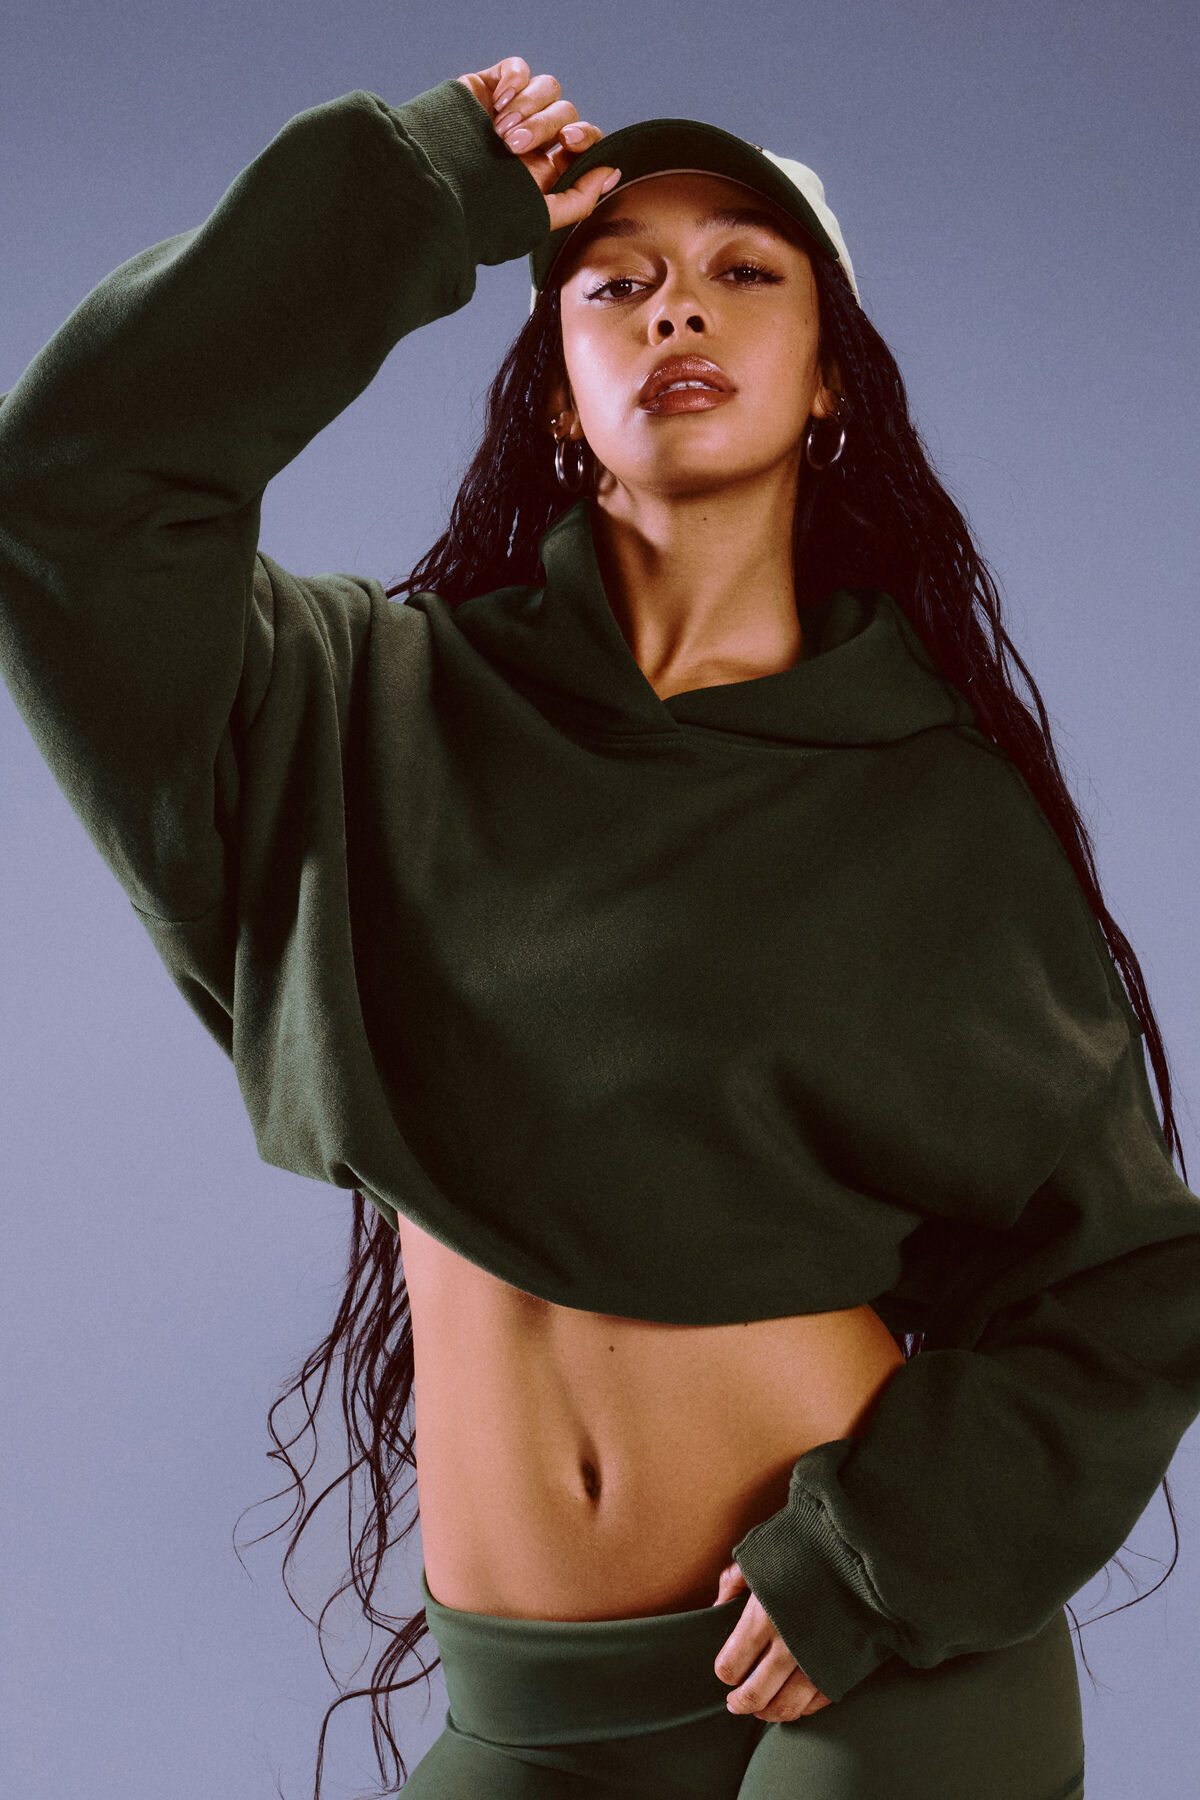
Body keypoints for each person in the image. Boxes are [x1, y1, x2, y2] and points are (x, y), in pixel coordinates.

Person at [1, 47, 1197, 1800]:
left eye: (744, 270)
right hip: (531, 1711)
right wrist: (417, 194)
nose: (675, 309)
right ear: (559, 396)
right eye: (613, 284)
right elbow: (73, 496)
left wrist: (889, 1558)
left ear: (831, 379)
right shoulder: (360, 716)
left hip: (866, 1675)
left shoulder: (933, 809)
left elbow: (1129, 1277)